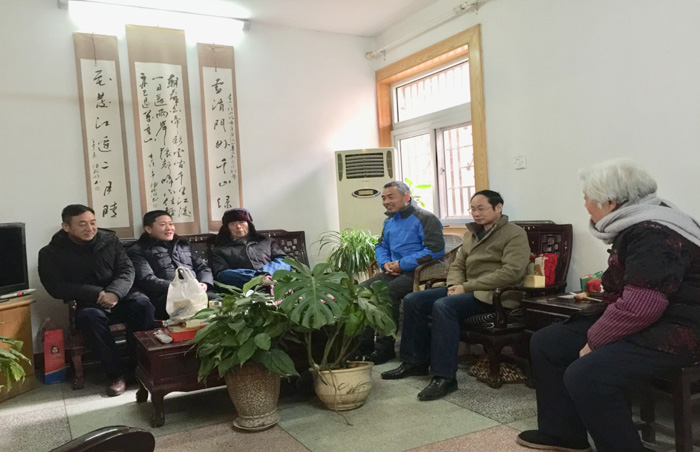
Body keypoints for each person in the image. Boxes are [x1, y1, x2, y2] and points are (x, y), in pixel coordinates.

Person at [517, 159, 700, 452]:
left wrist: (595, 340)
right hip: (653, 320)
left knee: (587, 374)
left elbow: (641, 306)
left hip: (678, 331)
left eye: (587, 197)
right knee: (549, 341)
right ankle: (564, 434)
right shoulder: (640, 222)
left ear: (611, 202)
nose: (585, 205)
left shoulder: (653, 232)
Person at [381, 190, 530, 400]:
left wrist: (466, 287)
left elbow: (511, 272)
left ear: (498, 208)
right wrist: (454, 285)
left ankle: (444, 377)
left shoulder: (514, 234)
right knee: (414, 300)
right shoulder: (472, 233)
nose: (476, 213)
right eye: (473, 209)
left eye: (481, 209)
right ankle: (415, 362)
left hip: (493, 294)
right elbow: (458, 264)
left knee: (444, 306)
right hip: (466, 288)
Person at [38, 204, 155, 397]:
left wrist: (115, 293)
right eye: (82, 224)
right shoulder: (50, 253)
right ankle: (116, 375)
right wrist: (97, 293)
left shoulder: (109, 241)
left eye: (93, 223)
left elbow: (127, 270)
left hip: (121, 296)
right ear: (66, 227)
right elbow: (56, 287)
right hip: (89, 302)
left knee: (143, 305)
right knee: (89, 318)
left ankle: (139, 367)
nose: (90, 228)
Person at [358, 181, 446, 365]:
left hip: (419, 273)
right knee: (360, 291)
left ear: (406, 197)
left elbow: (436, 250)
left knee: (387, 293)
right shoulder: (389, 221)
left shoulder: (426, 218)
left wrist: (402, 264)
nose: (386, 202)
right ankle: (363, 346)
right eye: (383, 198)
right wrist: (385, 263)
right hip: (392, 271)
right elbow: (381, 246)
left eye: (390, 197)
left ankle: (385, 347)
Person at [127, 210, 215, 320]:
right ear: (148, 229)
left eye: (171, 224)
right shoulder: (139, 250)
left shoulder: (183, 244)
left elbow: (203, 268)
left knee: (217, 302)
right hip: (166, 296)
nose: (169, 228)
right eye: (163, 225)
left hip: (196, 292)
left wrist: (204, 283)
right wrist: (179, 287)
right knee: (187, 306)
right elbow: (147, 279)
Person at [211, 208, 290, 288]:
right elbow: (221, 274)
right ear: (227, 228)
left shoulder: (267, 242)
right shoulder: (220, 250)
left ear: (249, 224)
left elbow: (284, 260)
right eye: (232, 224)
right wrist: (256, 278)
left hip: (276, 284)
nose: (238, 226)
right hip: (245, 290)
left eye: (241, 222)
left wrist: (267, 273)